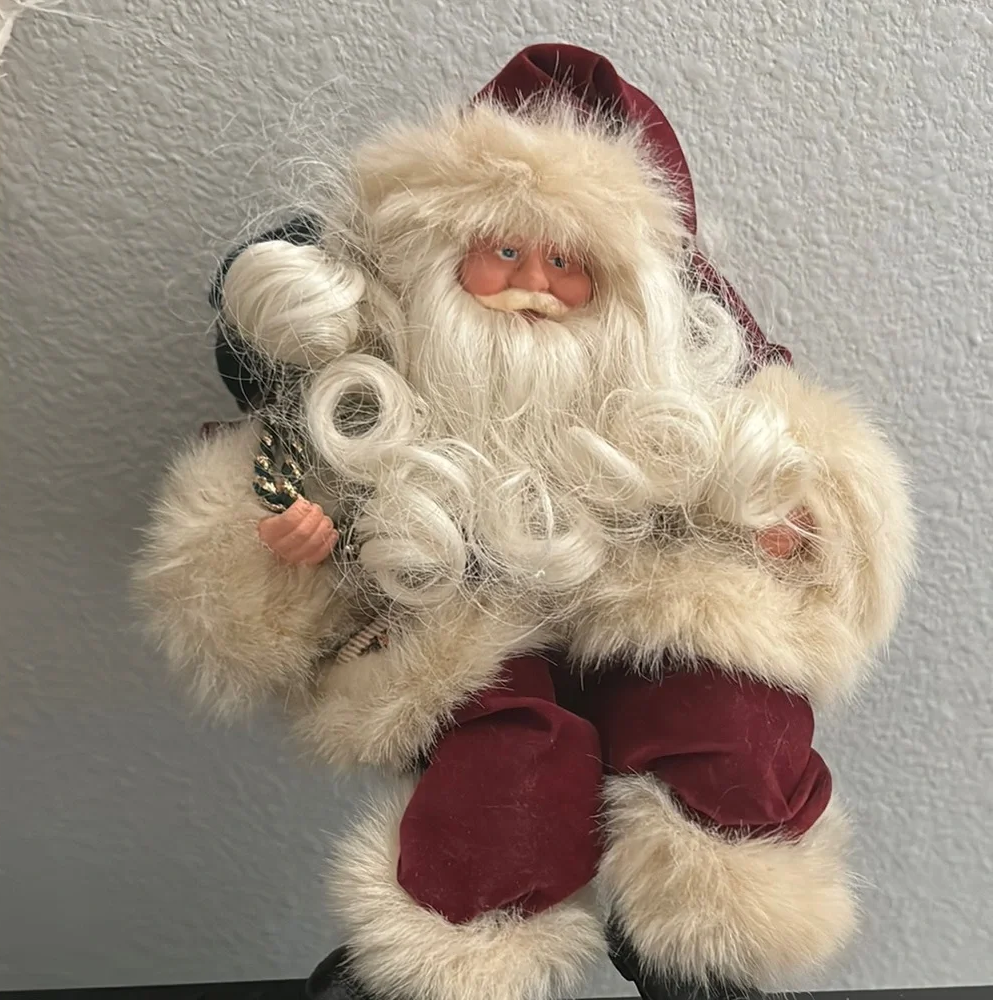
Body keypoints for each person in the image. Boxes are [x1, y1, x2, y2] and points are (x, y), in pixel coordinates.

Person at [135, 44, 914, 1000]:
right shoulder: (378, 388)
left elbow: (797, 494)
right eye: (505, 254)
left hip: (647, 601)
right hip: (456, 621)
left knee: (730, 722)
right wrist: (293, 541)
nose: (535, 285)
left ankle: (702, 947)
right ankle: (447, 964)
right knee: (508, 763)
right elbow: (267, 522)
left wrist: (786, 524)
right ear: (444, 260)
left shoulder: (683, 388)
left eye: (568, 263)